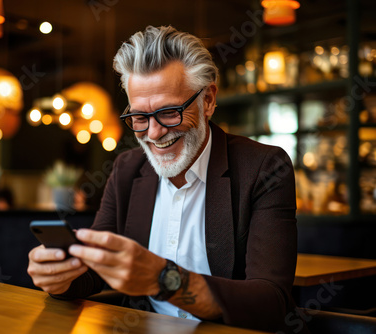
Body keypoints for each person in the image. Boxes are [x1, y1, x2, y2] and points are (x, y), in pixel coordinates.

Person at [28, 26, 304, 333]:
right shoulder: (127, 168)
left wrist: (161, 278)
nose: (154, 133)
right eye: (140, 117)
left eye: (170, 112)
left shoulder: (264, 167)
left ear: (208, 100)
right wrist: (60, 277)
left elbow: (271, 303)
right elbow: (95, 272)